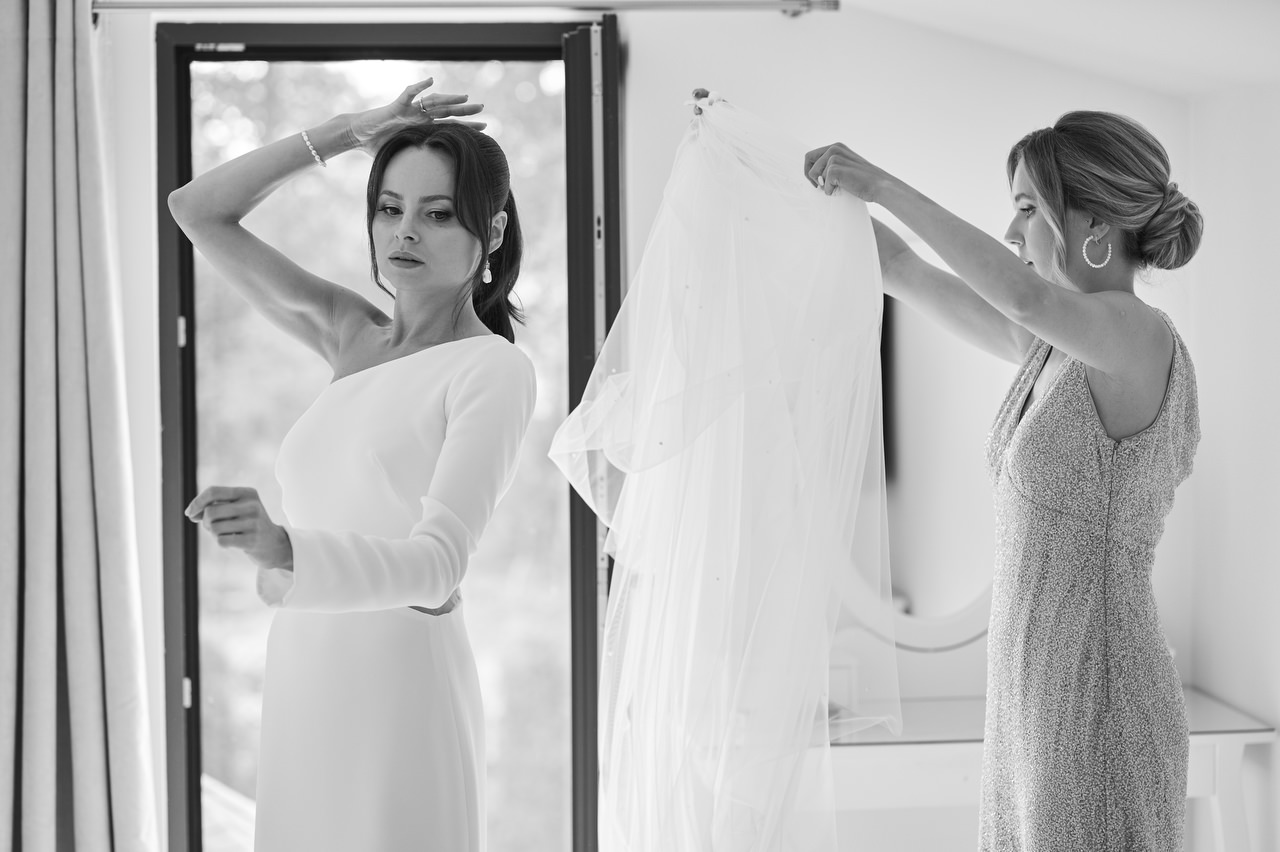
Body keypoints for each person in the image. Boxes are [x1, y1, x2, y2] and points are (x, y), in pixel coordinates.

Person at [805, 111, 1202, 850]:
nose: (1013, 233)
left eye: (1027, 208)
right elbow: (899, 268)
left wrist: (883, 183)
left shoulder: (1138, 336)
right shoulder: (1051, 348)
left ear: (1094, 222)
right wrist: (792, 187)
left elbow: (1024, 298)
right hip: (1030, 696)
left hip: (1101, 690)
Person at [169, 80, 537, 851]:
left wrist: (285, 548)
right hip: (304, 673)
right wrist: (346, 132)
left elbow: (438, 567)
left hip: (401, 689)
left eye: (438, 214)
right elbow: (196, 210)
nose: (405, 231)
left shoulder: (493, 370)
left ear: (494, 230)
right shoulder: (347, 332)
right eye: (389, 208)